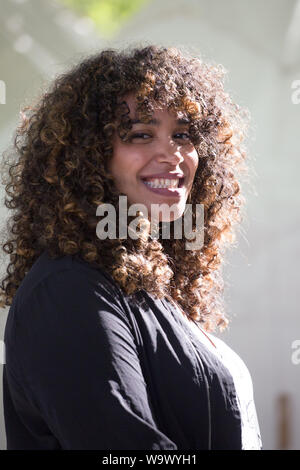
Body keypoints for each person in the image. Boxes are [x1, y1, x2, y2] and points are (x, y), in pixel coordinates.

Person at [0, 45, 262, 450]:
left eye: (183, 134)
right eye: (140, 134)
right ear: (87, 158)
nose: (172, 155)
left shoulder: (147, 283)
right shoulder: (68, 291)